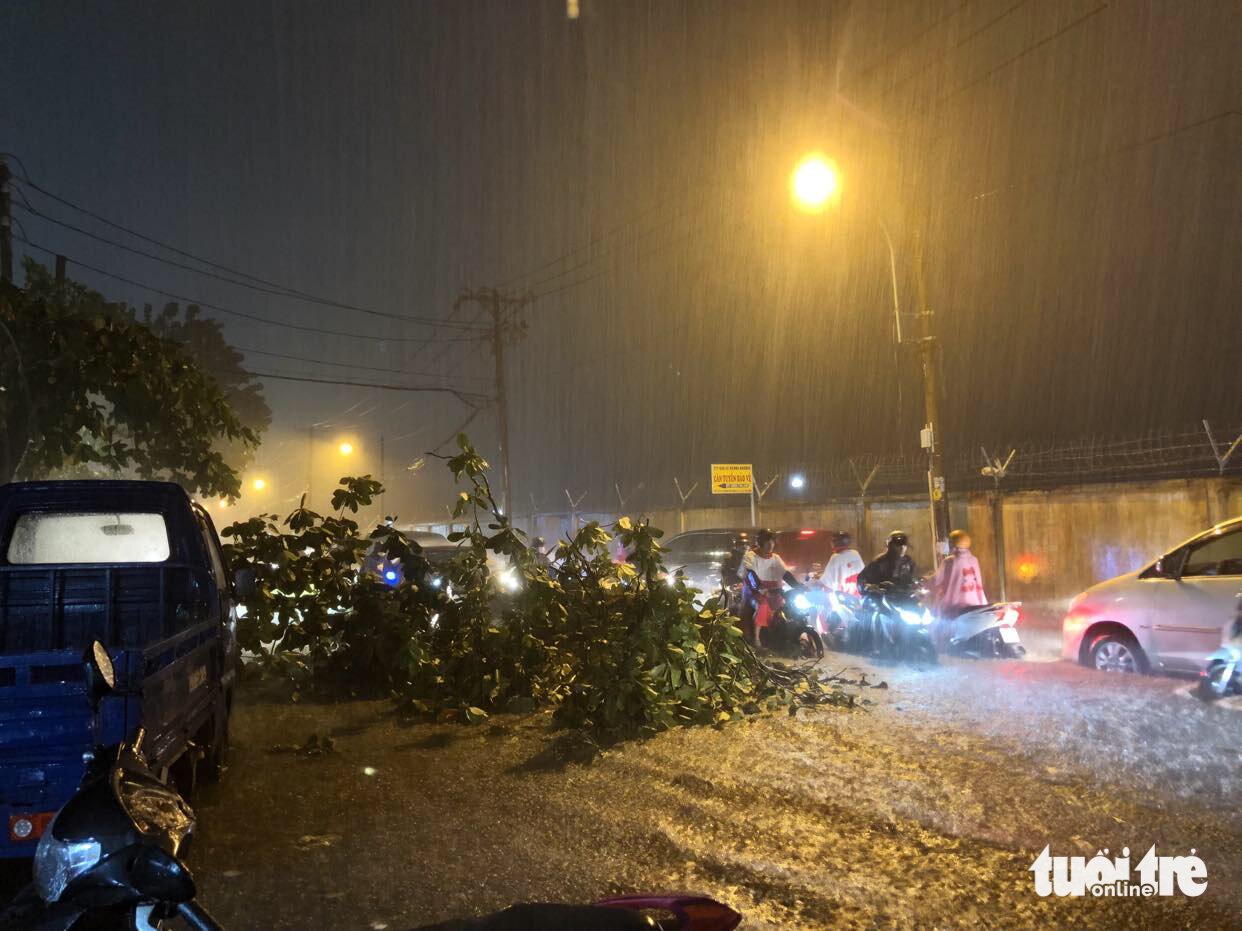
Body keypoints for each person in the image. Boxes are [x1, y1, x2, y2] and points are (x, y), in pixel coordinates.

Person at [737, 529, 801, 646]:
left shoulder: (775, 558)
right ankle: (756, 639)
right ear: (761, 543)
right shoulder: (750, 556)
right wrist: (760, 589)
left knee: (787, 606)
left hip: (774, 591)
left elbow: (785, 573)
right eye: (767, 542)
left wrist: (799, 586)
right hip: (754, 592)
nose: (771, 545)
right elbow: (751, 575)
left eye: (772, 541)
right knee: (762, 606)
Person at [929, 529, 987, 617]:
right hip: (976, 606)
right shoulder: (974, 560)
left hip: (954, 608)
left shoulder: (949, 561)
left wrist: (926, 583)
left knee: (937, 621)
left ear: (952, 544)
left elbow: (937, 580)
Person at [820, 531, 864, 596]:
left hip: (842, 598)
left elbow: (827, 583)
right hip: (858, 595)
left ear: (835, 543)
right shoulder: (855, 553)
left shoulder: (836, 557)